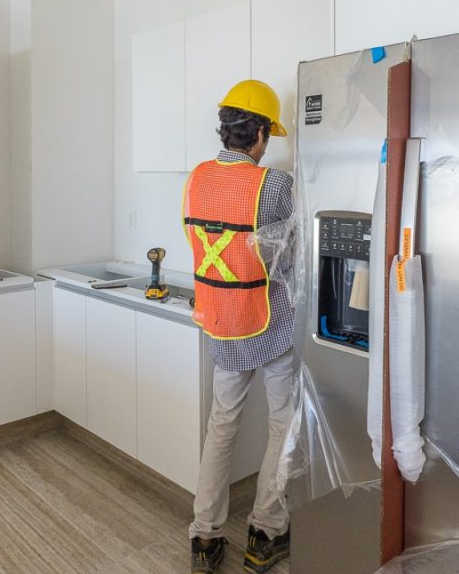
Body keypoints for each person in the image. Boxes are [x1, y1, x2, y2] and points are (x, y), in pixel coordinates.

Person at [183, 80, 296, 574]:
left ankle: (204, 538)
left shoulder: (196, 178)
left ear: (226, 129)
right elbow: (289, 258)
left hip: (221, 319)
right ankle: (265, 533)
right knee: (282, 423)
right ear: (261, 135)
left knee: (222, 424)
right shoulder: (276, 185)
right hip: (270, 321)